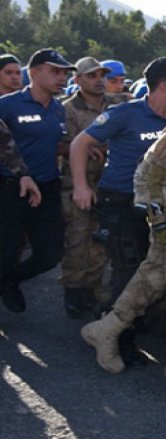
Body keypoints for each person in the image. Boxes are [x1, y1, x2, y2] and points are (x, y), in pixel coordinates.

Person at [71, 57, 166, 303]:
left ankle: (138, 319)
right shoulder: (125, 113)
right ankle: (117, 330)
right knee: (127, 263)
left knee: (156, 262)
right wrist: (81, 186)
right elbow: (80, 143)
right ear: (164, 86)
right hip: (121, 200)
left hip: (159, 201)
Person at [0, 49, 76, 313]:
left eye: (65, 72)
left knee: (50, 253)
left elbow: (54, 144)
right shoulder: (8, 105)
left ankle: (11, 281)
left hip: (46, 188)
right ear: (33, 73)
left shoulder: (58, 109)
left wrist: (81, 148)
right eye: (55, 71)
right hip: (10, 188)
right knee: (6, 251)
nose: (62, 77)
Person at [58, 57, 128, 318]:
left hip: (108, 183)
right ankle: (74, 290)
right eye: (91, 76)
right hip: (78, 182)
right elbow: (62, 144)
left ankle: (93, 288)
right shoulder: (67, 109)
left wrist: (98, 147)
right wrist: (89, 147)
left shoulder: (117, 105)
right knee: (78, 238)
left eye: (102, 75)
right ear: (77, 80)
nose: (99, 80)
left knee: (102, 239)